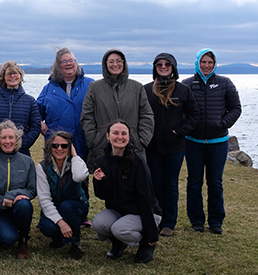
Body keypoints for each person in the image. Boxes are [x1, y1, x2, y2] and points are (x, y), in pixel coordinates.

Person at [182, 48, 241, 235]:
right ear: (197, 63)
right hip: (193, 142)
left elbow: (235, 108)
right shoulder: (187, 84)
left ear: (215, 64)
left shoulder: (225, 83)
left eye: (210, 62)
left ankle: (216, 222)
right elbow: (181, 111)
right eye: (203, 62)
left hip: (218, 142)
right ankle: (196, 221)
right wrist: (188, 127)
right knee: (194, 183)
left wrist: (221, 123)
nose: (206, 66)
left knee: (215, 183)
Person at [37, 47, 94, 226]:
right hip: (56, 144)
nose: (68, 64)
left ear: (76, 64)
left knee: (80, 176)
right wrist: (40, 123)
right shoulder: (48, 89)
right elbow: (36, 110)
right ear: (58, 66)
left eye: (71, 61)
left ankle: (81, 214)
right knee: (57, 177)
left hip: (81, 139)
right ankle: (54, 212)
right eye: (64, 62)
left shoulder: (90, 84)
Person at [143, 53, 200, 237]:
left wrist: (179, 131)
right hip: (152, 146)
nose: (163, 66)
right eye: (159, 64)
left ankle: (169, 222)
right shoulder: (146, 90)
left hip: (175, 147)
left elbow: (194, 115)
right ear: (155, 68)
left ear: (173, 67)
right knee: (155, 184)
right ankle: (157, 219)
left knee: (171, 184)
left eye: (167, 64)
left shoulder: (183, 90)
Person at [92, 120, 162, 263]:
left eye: (124, 134)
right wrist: (99, 182)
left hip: (145, 212)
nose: (120, 137)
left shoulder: (138, 162)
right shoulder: (102, 161)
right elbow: (102, 195)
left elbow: (146, 198)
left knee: (119, 229)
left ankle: (146, 244)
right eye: (115, 133)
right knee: (98, 223)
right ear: (107, 136)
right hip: (120, 210)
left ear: (129, 137)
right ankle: (119, 243)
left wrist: (151, 234)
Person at [80, 49, 154, 172]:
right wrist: (94, 140)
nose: (115, 65)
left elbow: (147, 115)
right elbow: (87, 116)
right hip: (102, 147)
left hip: (133, 146)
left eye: (119, 61)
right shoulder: (94, 87)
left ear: (124, 63)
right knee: (106, 186)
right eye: (111, 61)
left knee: (133, 185)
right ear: (105, 64)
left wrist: (142, 141)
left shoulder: (137, 87)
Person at [0, 120, 36, 259]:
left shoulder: (28, 161)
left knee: (24, 204)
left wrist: (11, 196)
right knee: (8, 239)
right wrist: (2, 200)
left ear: (17, 139)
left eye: (11, 137)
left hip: (19, 207)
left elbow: (32, 189)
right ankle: (3, 231)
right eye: (3, 138)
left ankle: (24, 239)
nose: (7, 141)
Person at [36, 131, 89, 260]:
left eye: (64, 146)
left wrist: (74, 155)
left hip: (75, 206)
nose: (59, 149)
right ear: (50, 147)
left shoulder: (77, 162)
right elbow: (44, 199)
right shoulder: (42, 167)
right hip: (55, 206)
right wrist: (60, 222)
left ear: (70, 147)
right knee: (46, 227)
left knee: (67, 206)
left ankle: (76, 244)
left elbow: (80, 176)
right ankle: (60, 239)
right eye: (55, 146)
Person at [0, 61, 40, 157]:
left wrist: (23, 143)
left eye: (15, 73)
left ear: (20, 76)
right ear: (3, 77)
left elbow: (35, 126)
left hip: (21, 154)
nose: (12, 76)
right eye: (9, 74)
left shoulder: (30, 101)